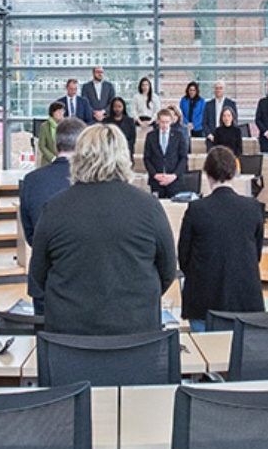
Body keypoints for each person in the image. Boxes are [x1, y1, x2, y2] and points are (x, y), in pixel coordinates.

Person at [28, 124, 177, 336]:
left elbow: (39, 272)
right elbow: (167, 270)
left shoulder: (54, 208)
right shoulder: (149, 206)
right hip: (135, 335)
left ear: (79, 157)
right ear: (124, 157)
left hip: (70, 338)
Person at [178, 147, 266, 329]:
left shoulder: (196, 209)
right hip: (245, 299)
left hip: (203, 300)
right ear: (234, 173)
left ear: (207, 174)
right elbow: (256, 254)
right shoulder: (252, 207)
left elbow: (184, 258)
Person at [19, 118, 83, 314]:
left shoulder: (31, 181)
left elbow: (30, 235)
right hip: (81, 280)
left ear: (55, 145)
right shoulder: (89, 180)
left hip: (43, 279)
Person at [142, 105, 190, 198]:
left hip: (174, 181)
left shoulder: (178, 136)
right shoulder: (151, 136)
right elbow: (147, 158)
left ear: (171, 121)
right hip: (156, 181)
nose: (164, 125)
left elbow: (183, 158)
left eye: (167, 122)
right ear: (158, 121)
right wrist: (155, 175)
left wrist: (174, 175)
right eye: (162, 122)